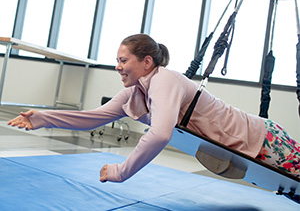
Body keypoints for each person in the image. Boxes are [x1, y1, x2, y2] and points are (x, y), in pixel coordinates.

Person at [7, 34, 300, 182]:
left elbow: (160, 134)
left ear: (147, 62)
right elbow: (92, 119)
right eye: (118, 60)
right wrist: (44, 118)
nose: (117, 66)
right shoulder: (135, 93)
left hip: (261, 137)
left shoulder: (164, 80)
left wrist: (122, 171)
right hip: (244, 145)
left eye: (124, 60)